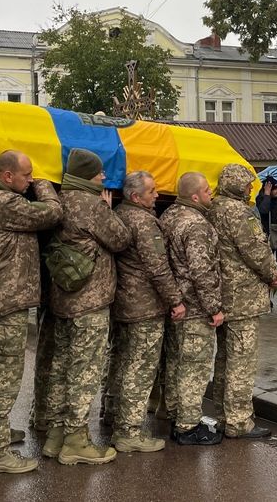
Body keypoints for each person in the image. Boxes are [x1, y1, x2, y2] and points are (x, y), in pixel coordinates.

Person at [0, 150, 62, 474]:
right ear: (7, 176)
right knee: (2, 382)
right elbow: (51, 214)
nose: (31, 179)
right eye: (27, 174)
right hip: (6, 303)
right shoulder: (3, 202)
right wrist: (47, 183)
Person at [44, 148, 128, 465]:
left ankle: (55, 435)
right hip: (90, 300)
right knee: (85, 371)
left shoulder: (59, 199)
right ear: (87, 174)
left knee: (61, 368)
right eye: (99, 172)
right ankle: (76, 441)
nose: (104, 176)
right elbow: (120, 239)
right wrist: (109, 209)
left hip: (63, 298)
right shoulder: (91, 204)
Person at [110, 171, 185, 453]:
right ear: (135, 197)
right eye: (152, 191)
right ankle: (129, 431)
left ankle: (114, 416)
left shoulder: (120, 214)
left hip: (125, 303)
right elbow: (157, 267)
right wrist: (175, 300)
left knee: (121, 363)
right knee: (140, 370)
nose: (157, 195)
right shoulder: (143, 222)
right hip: (145, 306)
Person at [208, 164, 277, 439]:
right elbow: (255, 251)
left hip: (221, 294)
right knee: (242, 359)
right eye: (248, 184)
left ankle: (224, 415)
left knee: (224, 357)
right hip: (243, 296)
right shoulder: (239, 212)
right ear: (237, 185)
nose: (252, 188)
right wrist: (274, 275)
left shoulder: (213, 208)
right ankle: (239, 421)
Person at [158, 171, 225, 446]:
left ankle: (175, 414)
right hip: (195, 307)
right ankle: (188, 425)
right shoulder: (196, 224)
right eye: (208, 191)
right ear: (195, 196)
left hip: (176, 304)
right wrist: (214, 308)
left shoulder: (169, 216)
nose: (211, 195)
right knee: (194, 368)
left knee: (175, 362)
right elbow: (202, 271)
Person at [256, 177, 277, 262]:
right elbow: (264, 210)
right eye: (275, 189)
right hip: (267, 233)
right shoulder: (261, 198)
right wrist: (267, 196)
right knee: (268, 261)